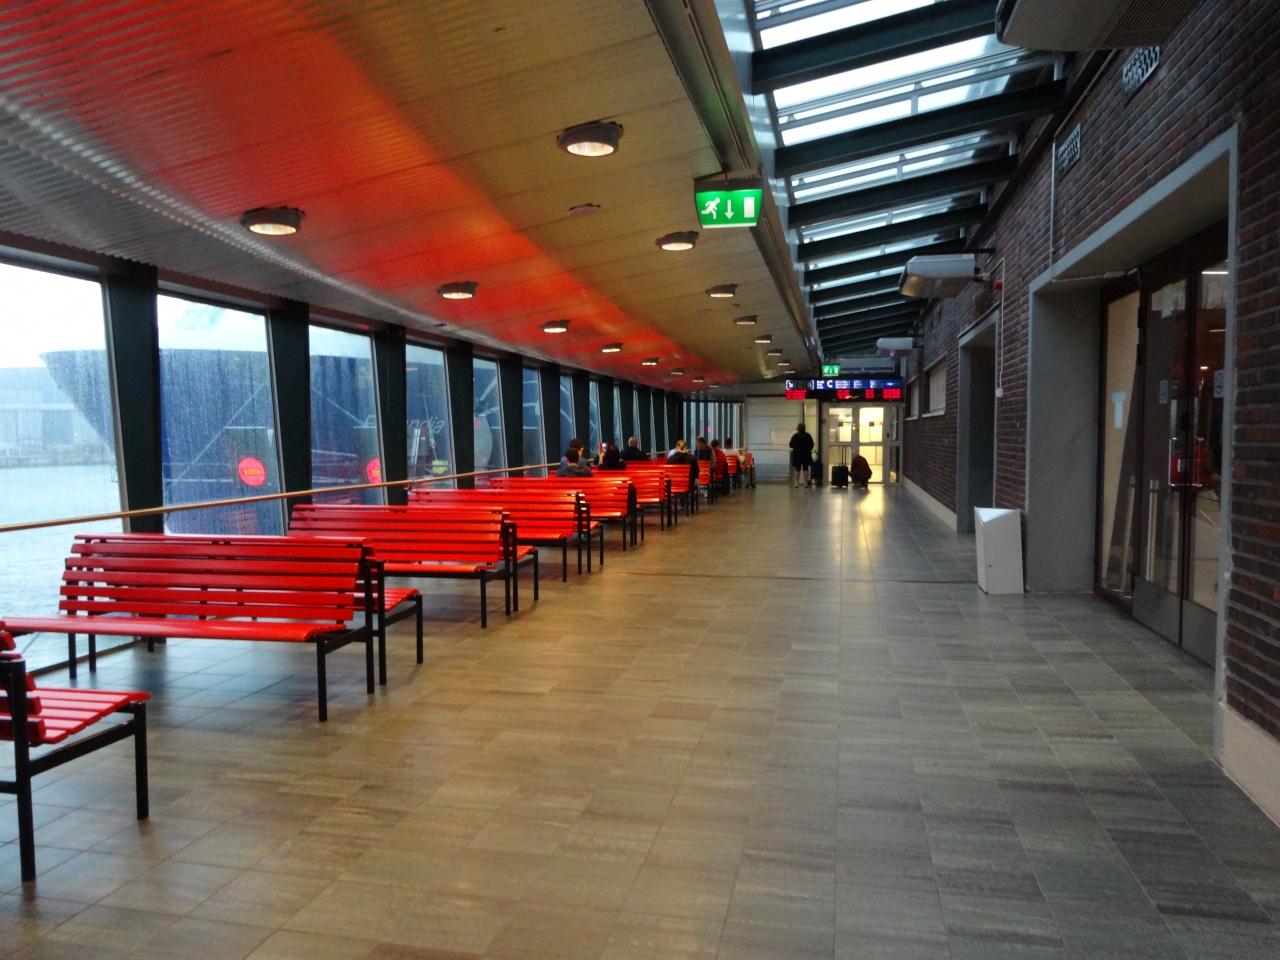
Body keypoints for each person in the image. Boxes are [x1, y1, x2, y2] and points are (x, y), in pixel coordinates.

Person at [789, 422, 815, 488]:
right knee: (805, 468)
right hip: (806, 454)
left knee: (797, 469)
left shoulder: (795, 436)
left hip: (797, 455)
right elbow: (812, 445)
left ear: (798, 428)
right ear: (804, 428)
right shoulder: (808, 435)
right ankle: (805, 483)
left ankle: (796, 483)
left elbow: (790, 445)